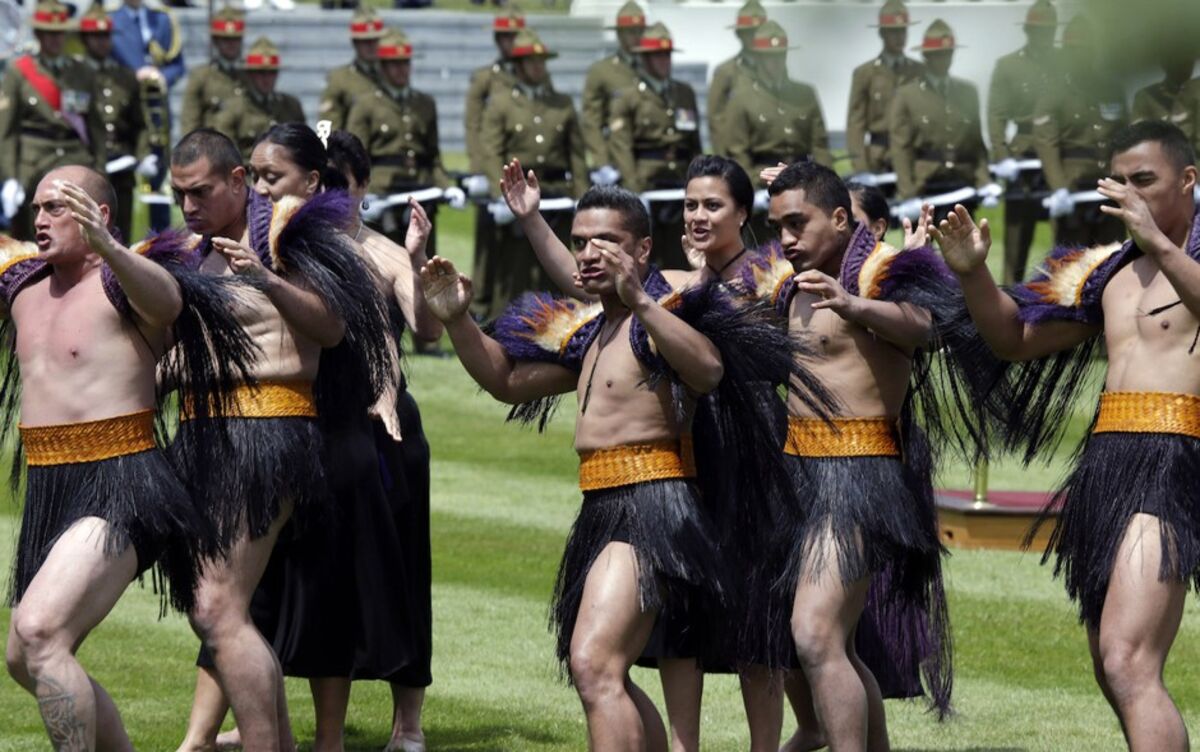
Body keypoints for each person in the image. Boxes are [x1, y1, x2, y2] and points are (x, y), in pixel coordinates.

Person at [932, 120, 1198, 752]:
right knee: (1115, 670)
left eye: (1145, 181)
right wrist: (972, 273)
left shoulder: (1176, 257)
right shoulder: (1105, 272)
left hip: (1176, 460)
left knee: (1128, 660)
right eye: (1120, 182)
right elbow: (1013, 340)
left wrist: (1158, 242)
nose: (1128, 195)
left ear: (1189, 180)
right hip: (1107, 462)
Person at [1, 164, 246, 752]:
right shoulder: (20, 283)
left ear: (99, 215)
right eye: (36, 208)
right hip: (49, 486)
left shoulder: (127, 281)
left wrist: (109, 250)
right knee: (22, 658)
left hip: (123, 481)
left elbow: (168, 306)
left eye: (57, 208)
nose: (40, 220)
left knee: (39, 633)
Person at [168, 125, 388, 752]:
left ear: (234, 180)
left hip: (268, 432)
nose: (188, 204)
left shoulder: (294, 235)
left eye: (200, 190)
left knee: (217, 609)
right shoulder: (195, 246)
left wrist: (264, 278)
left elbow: (332, 326)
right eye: (179, 192)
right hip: (202, 435)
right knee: (214, 610)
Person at [760, 161, 969, 750]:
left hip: (860, 473)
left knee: (816, 633)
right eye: (777, 226)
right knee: (838, 645)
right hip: (797, 473)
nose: (786, 239)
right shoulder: (791, 281)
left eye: (797, 223)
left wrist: (853, 305)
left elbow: (931, 326)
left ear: (841, 218)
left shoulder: (885, 269)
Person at [328, 130, 441, 752]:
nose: (326, 195)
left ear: (362, 189)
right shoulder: (282, 249)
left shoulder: (386, 252)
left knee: (400, 569)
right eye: (316, 182)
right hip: (309, 424)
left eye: (339, 185)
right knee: (298, 575)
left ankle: (409, 724)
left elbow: (423, 328)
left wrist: (418, 258)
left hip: (385, 426)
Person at [478, 29, 587, 319]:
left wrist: (583, 197)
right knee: (515, 271)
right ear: (519, 65)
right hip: (518, 191)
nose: (538, 66)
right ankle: (506, 331)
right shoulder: (501, 103)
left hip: (556, 193)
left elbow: (575, 154)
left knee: (559, 269)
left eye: (541, 60)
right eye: (531, 60)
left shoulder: (561, 103)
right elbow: (491, 151)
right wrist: (497, 195)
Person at [346, 28, 461, 253]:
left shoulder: (425, 103)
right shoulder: (365, 104)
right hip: (382, 192)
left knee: (423, 263)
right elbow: (355, 157)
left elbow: (432, 156)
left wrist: (447, 186)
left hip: (421, 189)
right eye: (395, 64)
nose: (402, 69)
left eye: (405, 63)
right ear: (383, 67)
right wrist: (362, 195)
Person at [0, 0, 106, 240]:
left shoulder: (82, 72)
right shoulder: (19, 72)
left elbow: (96, 127)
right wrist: (10, 178)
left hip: (76, 158)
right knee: (33, 238)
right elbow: (6, 132)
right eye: (49, 33)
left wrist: (99, 168)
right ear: (38, 34)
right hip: (34, 163)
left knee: (81, 237)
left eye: (59, 33)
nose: (55, 39)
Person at [608, 22, 701, 270]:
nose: (664, 61)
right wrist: (634, 189)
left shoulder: (684, 93)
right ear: (644, 59)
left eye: (667, 55)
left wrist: (699, 180)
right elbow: (622, 147)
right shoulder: (628, 97)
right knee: (647, 261)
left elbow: (694, 143)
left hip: (679, 179)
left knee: (683, 256)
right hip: (646, 181)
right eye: (657, 56)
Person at [1032, 14, 1128, 247]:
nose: (1080, 56)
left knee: (1113, 256)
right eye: (1074, 50)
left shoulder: (1111, 89)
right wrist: (1059, 187)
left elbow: (1126, 137)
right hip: (1072, 187)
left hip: (1109, 183)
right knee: (1071, 264)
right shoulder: (1053, 93)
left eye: (1085, 50)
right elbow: (1046, 142)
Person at [889, 19, 996, 223]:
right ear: (926, 56)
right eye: (938, 55)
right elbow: (901, 149)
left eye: (947, 54)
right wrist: (908, 193)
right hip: (924, 184)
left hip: (961, 184)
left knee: (961, 251)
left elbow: (976, 143)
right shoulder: (907, 95)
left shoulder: (967, 92)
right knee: (920, 253)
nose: (943, 59)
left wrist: (984, 181)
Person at [986, 0, 1060, 284]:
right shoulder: (1009, 66)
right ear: (1028, 31)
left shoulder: (1065, 63)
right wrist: (1002, 155)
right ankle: (1010, 298)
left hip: (1059, 151)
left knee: (1064, 239)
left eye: (1049, 30)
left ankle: (1060, 300)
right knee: (1017, 236)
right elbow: (996, 115)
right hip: (1023, 152)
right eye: (1040, 30)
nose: (1045, 36)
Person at [462, 8, 524, 318]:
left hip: (518, 163)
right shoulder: (487, 78)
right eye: (506, 37)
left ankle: (510, 300)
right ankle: (480, 304)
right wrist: (478, 169)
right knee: (487, 241)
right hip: (491, 165)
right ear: (498, 40)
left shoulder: (529, 74)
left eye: (515, 36)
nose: (511, 43)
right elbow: (474, 125)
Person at [78, 1, 156, 242]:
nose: (102, 41)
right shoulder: (75, 75)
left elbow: (140, 124)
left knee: (121, 235)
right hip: (86, 164)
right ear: (85, 39)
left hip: (121, 165)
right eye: (96, 36)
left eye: (105, 35)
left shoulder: (124, 76)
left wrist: (144, 155)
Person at [846, 0, 923, 186]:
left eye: (903, 31)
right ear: (882, 33)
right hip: (878, 157)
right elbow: (856, 125)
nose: (900, 37)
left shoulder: (919, 72)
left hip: (912, 155)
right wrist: (861, 167)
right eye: (893, 31)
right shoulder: (865, 73)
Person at [212, 37, 305, 162]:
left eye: (271, 73)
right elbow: (225, 158)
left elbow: (304, 149)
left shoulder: (291, 106)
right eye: (260, 73)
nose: (266, 79)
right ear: (250, 74)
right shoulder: (233, 109)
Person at [581, 0, 645, 174]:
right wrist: (602, 162)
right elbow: (591, 122)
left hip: (649, 159)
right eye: (631, 31)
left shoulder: (653, 68)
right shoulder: (602, 71)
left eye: (641, 30)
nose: (637, 36)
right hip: (616, 157)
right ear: (619, 34)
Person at [706, 0, 766, 159]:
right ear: (739, 34)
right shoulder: (725, 73)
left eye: (759, 31)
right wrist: (724, 162)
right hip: (738, 155)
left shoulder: (775, 70)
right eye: (750, 32)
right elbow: (716, 121)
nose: (754, 37)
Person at [179, 4, 247, 135]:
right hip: (213, 149)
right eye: (226, 40)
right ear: (216, 41)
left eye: (236, 39)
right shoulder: (201, 77)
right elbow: (189, 123)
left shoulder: (252, 75)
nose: (231, 44)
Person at [318, 6, 385, 132]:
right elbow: (328, 128)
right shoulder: (340, 79)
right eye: (365, 41)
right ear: (355, 43)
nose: (371, 46)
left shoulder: (391, 76)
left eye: (374, 40)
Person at [1130, 50, 1196, 125]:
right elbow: (1138, 130)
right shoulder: (1146, 96)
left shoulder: (1196, 90)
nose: (1185, 67)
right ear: (1165, 64)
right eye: (1179, 62)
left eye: (1189, 62)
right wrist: (1171, 120)